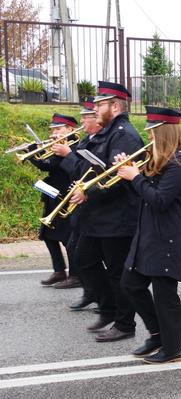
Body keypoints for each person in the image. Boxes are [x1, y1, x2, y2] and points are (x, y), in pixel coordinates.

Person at [118, 106, 181, 364]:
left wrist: (135, 176)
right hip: (149, 232)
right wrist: (129, 173)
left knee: (165, 294)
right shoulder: (158, 159)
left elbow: (160, 200)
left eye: (152, 132)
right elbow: (143, 194)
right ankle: (158, 334)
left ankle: (174, 349)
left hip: (168, 234)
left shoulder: (180, 163)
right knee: (130, 284)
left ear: (163, 133)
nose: (148, 137)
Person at [69, 81, 143, 342]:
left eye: (100, 104)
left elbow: (119, 177)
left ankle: (125, 324)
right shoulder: (105, 132)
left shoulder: (123, 134)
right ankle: (108, 308)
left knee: (117, 271)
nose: (95, 109)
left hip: (117, 216)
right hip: (97, 215)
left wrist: (88, 192)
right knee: (84, 260)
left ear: (115, 106)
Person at [53, 98, 103, 310]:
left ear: (96, 119)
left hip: (95, 205)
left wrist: (67, 154)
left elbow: (94, 172)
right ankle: (91, 292)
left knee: (90, 255)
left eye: (86, 117)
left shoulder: (100, 140)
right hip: (81, 206)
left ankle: (104, 297)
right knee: (76, 250)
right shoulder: (85, 140)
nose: (82, 120)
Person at [30, 113, 77, 287]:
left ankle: (75, 275)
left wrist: (34, 155)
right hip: (52, 194)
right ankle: (59, 271)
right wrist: (33, 152)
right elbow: (46, 164)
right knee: (48, 234)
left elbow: (49, 165)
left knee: (67, 237)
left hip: (67, 196)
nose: (53, 133)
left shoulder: (73, 146)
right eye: (52, 130)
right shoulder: (58, 146)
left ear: (70, 129)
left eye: (58, 129)